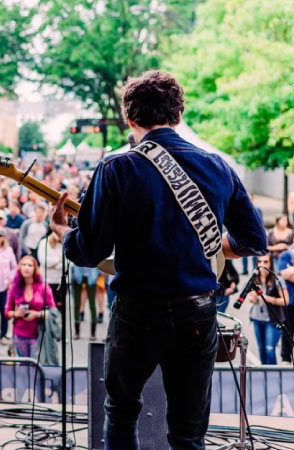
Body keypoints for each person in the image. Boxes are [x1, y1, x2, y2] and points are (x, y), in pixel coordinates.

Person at [48, 71, 267, 450]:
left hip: (138, 310)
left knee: (122, 410)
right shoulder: (217, 166)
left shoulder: (116, 167)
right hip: (198, 311)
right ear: (179, 115)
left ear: (129, 119)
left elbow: (91, 251)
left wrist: (63, 236)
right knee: (188, 429)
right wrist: (210, 249)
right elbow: (253, 239)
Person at [4, 256, 54, 358]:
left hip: (38, 334)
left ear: (35, 269)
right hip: (19, 334)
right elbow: (7, 312)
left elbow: (53, 312)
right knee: (23, 367)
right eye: (24, 265)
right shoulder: (14, 288)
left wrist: (37, 314)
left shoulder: (43, 288)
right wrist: (16, 314)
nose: (26, 268)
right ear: (20, 268)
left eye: (30, 265)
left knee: (35, 367)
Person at [247, 254, 288, 365]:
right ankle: (264, 375)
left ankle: (272, 376)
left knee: (269, 350)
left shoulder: (277, 279)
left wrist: (267, 298)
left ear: (270, 263)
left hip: (272, 320)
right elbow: (250, 298)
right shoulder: (254, 279)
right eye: (260, 261)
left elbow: (285, 301)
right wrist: (252, 297)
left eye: (265, 262)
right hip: (257, 318)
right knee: (261, 349)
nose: (262, 265)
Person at [37, 232, 65, 314]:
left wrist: (55, 266)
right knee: (47, 305)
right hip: (47, 279)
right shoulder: (43, 243)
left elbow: (67, 262)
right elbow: (43, 260)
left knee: (59, 306)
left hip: (59, 280)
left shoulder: (63, 244)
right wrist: (57, 260)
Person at [71, 264, 99, 340]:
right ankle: (77, 332)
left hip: (92, 276)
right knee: (76, 304)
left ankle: (93, 333)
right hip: (77, 275)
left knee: (92, 304)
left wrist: (98, 272)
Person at [276, 243, 294, 362]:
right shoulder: (286, 254)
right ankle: (286, 359)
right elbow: (284, 274)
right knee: (287, 332)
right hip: (290, 302)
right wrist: (289, 273)